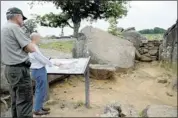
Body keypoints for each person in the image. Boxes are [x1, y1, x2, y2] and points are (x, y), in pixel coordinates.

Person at [1, 7, 36, 117]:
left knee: (16, 100)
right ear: (18, 16)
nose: (23, 21)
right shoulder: (14, 28)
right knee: (25, 102)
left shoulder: (3, 29)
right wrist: (33, 41)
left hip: (9, 69)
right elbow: (31, 48)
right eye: (22, 18)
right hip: (20, 69)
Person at [29, 32, 60, 115]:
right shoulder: (33, 47)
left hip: (38, 69)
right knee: (40, 90)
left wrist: (48, 59)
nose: (40, 39)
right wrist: (51, 63)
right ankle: (37, 110)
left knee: (41, 89)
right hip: (38, 70)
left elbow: (41, 57)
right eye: (39, 38)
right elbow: (41, 58)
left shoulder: (32, 46)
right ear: (35, 38)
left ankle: (39, 106)